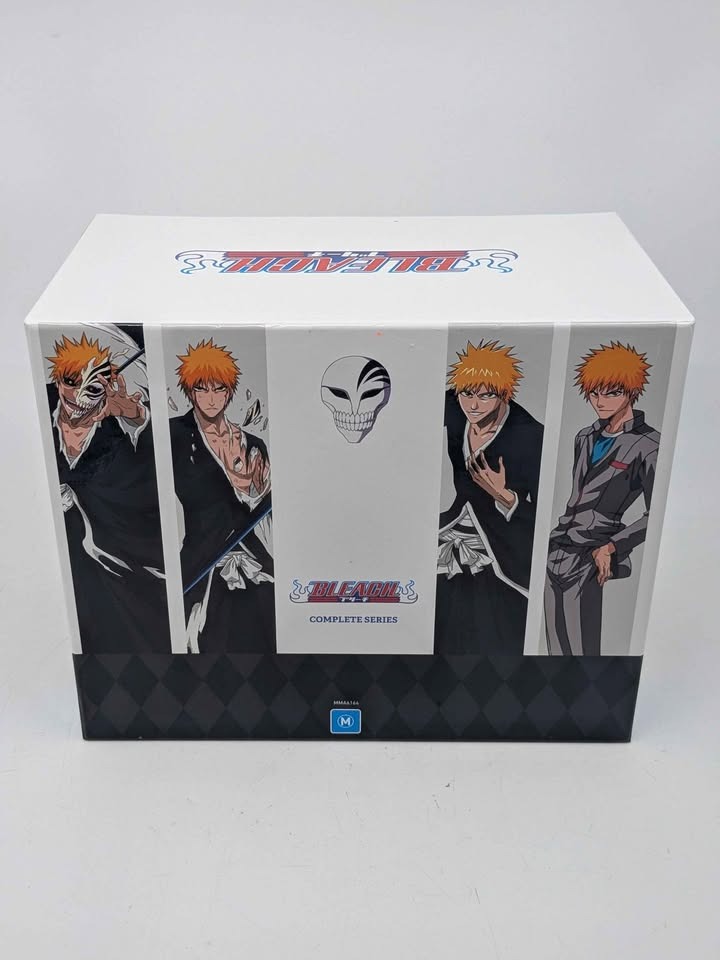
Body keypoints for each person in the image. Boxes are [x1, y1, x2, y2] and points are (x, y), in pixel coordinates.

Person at [46, 331, 170, 652]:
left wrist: (133, 415)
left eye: (92, 387)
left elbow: (165, 464)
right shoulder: (41, 407)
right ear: (57, 380)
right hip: (54, 567)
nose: (78, 396)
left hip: (121, 558)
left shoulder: (119, 420)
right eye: (71, 382)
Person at [545, 342, 659, 655]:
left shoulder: (647, 445)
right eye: (595, 393)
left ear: (631, 392)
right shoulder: (584, 437)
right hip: (557, 549)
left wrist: (612, 546)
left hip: (592, 554)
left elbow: (657, 515)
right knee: (554, 651)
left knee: (582, 653)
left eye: (612, 392)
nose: (600, 401)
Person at [436, 340, 544, 654]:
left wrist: (504, 496)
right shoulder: (454, 406)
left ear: (504, 394)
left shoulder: (530, 436)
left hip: (505, 540)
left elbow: (546, 515)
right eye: (467, 394)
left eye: (485, 396)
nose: (473, 405)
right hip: (456, 522)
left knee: (490, 615)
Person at [170, 338, 275, 653]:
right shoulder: (173, 436)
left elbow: (269, 515)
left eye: (219, 389)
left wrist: (256, 494)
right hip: (200, 561)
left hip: (256, 560)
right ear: (190, 391)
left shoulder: (253, 443)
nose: (211, 398)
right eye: (202, 389)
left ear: (230, 391)